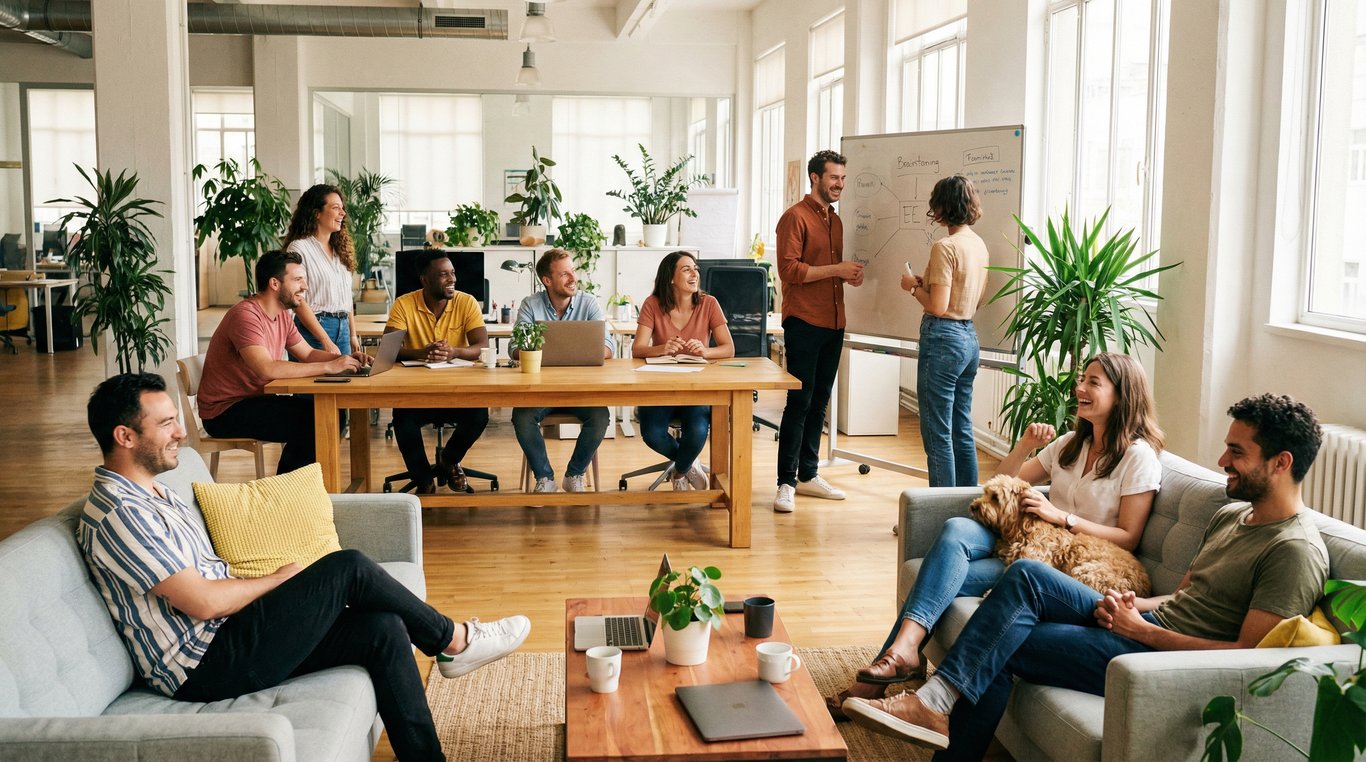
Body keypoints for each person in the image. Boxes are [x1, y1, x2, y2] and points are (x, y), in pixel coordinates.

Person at [843, 394, 1328, 760]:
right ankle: (934, 704)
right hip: (1141, 627)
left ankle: (933, 702)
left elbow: (1249, 658)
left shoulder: (1293, 549)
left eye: (1236, 452)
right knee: (1021, 589)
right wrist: (1135, 607)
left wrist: (1144, 631)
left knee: (1010, 615)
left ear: (1281, 463)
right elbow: (1184, 597)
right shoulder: (1232, 517)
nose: (1222, 461)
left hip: (1162, 660)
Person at [80, 373, 531, 762]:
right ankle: (454, 639)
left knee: (384, 627)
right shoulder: (121, 512)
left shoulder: (153, 491)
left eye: (176, 418)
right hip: (205, 665)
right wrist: (277, 580)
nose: (180, 431)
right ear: (125, 437)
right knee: (348, 567)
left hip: (229, 631)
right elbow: (201, 601)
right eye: (166, 424)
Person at [827, 352, 1163, 718]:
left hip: (1058, 569)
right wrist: (1024, 447)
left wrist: (1061, 517)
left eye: (1093, 383)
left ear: (1123, 394)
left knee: (939, 578)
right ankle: (902, 653)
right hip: (1026, 543)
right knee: (956, 532)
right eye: (1081, 379)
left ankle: (871, 684)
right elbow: (1002, 481)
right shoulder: (1071, 443)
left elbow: (1128, 536)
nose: (1079, 387)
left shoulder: (1138, 457)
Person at [199, 250, 371, 474]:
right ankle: (285, 495)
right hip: (225, 411)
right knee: (315, 423)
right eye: (298, 280)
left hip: (254, 400)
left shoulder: (281, 314)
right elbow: (267, 368)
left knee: (329, 416)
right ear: (274, 283)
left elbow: (307, 353)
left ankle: (293, 492)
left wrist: (343, 359)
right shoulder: (246, 316)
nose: (305, 287)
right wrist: (329, 367)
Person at [772, 149, 865, 514]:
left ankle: (809, 474)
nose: (839, 184)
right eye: (833, 178)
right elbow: (790, 271)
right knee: (799, 401)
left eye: (842, 178)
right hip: (804, 321)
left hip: (834, 321)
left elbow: (829, 272)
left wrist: (846, 275)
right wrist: (837, 269)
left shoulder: (836, 222)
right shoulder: (794, 218)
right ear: (815, 178)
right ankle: (785, 482)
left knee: (819, 402)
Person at [902, 175, 990, 488]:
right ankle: (968, 509)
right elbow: (975, 299)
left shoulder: (945, 246)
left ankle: (939, 514)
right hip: (968, 338)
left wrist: (912, 288)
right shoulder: (978, 245)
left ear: (941, 207)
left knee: (937, 433)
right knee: (960, 428)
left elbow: (938, 307)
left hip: (943, 340)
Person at [385, 249, 491, 494]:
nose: (452, 279)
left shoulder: (467, 302)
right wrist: (423, 352)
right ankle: (423, 478)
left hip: (458, 390)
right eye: (443, 275)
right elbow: (390, 350)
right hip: (416, 391)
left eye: (452, 273)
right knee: (403, 421)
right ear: (425, 280)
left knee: (479, 416)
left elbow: (482, 346)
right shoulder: (404, 303)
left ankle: (449, 461)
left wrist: (453, 351)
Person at [510, 248, 615, 493]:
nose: (573, 278)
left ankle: (575, 474)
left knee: (600, 417)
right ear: (547, 280)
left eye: (573, 271)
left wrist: (552, 351)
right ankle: (545, 478)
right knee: (521, 416)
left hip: (580, 389)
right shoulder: (530, 305)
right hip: (539, 391)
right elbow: (515, 349)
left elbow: (608, 346)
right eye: (565, 274)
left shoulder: (588, 303)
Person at [630, 251, 735, 490]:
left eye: (695, 268)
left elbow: (728, 348)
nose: (694, 273)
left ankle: (679, 472)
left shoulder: (709, 304)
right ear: (670, 277)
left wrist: (705, 352)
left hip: (697, 387)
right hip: (660, 387)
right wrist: (662, 349)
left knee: (698, 430)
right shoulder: (652, 304)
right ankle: (688, 463)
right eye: (686, 269)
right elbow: (638, 349)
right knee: (652, 433)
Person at [283, 184, 359, 358]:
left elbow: (346, 297)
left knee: (344, 383)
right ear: (316, 213)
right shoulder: (299, 248)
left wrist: (353, 335)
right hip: (315, 329)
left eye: (342, 208)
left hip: (343, 328)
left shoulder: (340, 250)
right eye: (335, 208)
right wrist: (325, 340)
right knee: (313, 384)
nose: (342, 213)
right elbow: (298, 300)